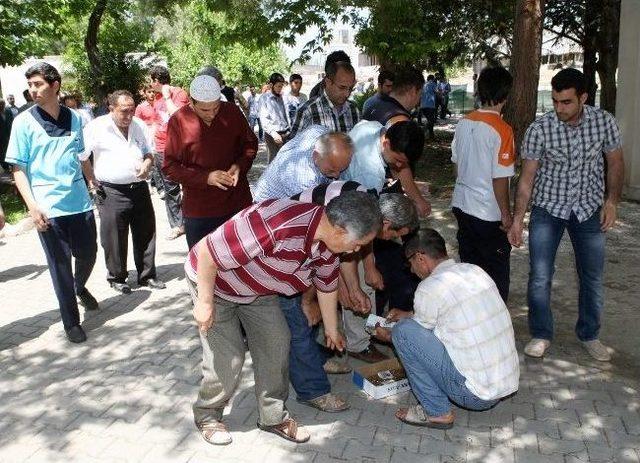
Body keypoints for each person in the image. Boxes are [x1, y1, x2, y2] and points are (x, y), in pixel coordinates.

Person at [186, 191, 382, 445]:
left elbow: (325, 285)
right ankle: (207, 415)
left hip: (258, 291)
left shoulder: (329, 247)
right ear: (340, 230)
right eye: (357, 244)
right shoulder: (276, 223)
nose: (356, 250)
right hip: (214, 285)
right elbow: (208, 254)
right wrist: (204, 302)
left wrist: (333, 330)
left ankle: (273, 416)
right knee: (228, 357)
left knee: (277, 343)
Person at [508, 68, 625, 362]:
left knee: (592, 275)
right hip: (548, 208)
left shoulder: (604, 122)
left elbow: (615, 162)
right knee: (540, 275)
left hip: (588, 209)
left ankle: (589, 334)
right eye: (556, 101)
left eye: (566, 102)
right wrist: (517, 218)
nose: (559, 108)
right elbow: (527, 178)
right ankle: (541, 333)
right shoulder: (540, 128)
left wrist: (612, 201)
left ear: (583, 97)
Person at [375, 229, 519, 429]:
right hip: (504, 386)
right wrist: (407, 314)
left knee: (403, 332)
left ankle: (437, 411)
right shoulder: (474, 271)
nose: (411, 270)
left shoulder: (429, 287)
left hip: (475, 396)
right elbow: (444, 313)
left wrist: (389, 335)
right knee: (411, 326)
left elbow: (414, 335)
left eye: (410, 263)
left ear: (420, 258)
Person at [6, 62, 99, 344]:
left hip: (80, 202)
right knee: (59, 265)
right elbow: (18, 169)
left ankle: (78, 286)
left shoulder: (74, 118)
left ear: (55, 85)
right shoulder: (23, 122)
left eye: (38, 84)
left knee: (89, 252)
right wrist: (32, 206)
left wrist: (92, 182)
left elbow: (82, 156)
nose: (32, 90)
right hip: (48, 207)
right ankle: (71, 321)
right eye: (30, 85)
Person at [83, 90, 165, 294]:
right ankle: (117, 277)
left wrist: (147, 163)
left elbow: (149, 152)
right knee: (114, 236)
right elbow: (83, 156)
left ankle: (147, 275)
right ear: (111, 109)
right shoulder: (97, 127)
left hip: (139, 188)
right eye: (124, 111)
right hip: (111, 191)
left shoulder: (139, 126)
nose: (129, 115)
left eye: (132, 110)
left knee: (146, 232)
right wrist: (92, 181)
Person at [163, 75, 258, 251]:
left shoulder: (232, 112)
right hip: (200, 211)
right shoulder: (179, 120)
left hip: (237, 203)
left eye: (216, 107)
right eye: (205, 110)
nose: (212, 114)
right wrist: (205, 178)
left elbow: (250, 144)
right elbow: (170, 167)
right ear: (191, 102)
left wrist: (240, 166)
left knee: (243, 262)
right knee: (202, 266)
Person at [451, 66, 515, 303]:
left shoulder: (464, 123)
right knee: (495, 276)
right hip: (487, 213)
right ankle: (494, 324)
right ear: (506, 95)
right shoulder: (503, 130)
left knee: (470, 270)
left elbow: (456, 166)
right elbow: (500, 179)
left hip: (461, 205)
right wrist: (506, 215)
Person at [342, 119, 430, 217]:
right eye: (398, 160)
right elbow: (367, 216)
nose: (399, 166)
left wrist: (417, 199)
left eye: (404, 162)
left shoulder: (374, 127)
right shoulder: (371, 175)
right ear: (386, 144)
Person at [253, 127, 353, 202]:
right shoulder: (303, 178)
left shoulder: (318, 131)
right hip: (267, 205)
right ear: (315, 156)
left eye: (342, 169)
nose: (337, 175)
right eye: (331, 170)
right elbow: (312, 212)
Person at [148, 65, 189, 240]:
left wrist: (167, 97)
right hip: (161, 148)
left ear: (157, 80)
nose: (150, 84)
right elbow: (157, 122)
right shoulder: (156, 99)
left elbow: (179, 115)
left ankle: (190, 218)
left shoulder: (179, 93)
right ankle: (177, 225)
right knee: (169, 188)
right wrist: (150, 143)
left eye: (151, 80)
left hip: (179, 147)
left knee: (187, 184)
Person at [290, 61, 360, 138]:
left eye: (350, 88)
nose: (347, 94)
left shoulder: (354, 110)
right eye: (342, 87)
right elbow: (293, 149)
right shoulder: (307, 111)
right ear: (328, 82)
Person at [259, 73, 290, 162]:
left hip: (285, 134)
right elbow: (264, 120)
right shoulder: (264, 99)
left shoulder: (283, 97)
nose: (280, 89)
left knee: (285, 162)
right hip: (272, 136)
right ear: (271, 85)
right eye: (278, 86)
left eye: (282, 86)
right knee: (274, 162)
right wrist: (274, 134)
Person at [420, 75, 437, 139]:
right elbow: (437, 91)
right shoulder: (433, 84)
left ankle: (431, 135)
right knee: (431, 121)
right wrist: (441, 94)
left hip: (423, 105)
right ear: (432, 79)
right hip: (430, 105)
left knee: (430, 120)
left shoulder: (423, 85)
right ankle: (422, 132)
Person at [0, 99, 14, 171]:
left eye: (3, 104)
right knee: (2, 152)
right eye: (0, 104)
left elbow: (12, 121)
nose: (2, 106)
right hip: (1, 138)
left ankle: (12, 166)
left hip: (10, 134)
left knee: (11, 150)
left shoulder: (8, 111)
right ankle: (5, 167)